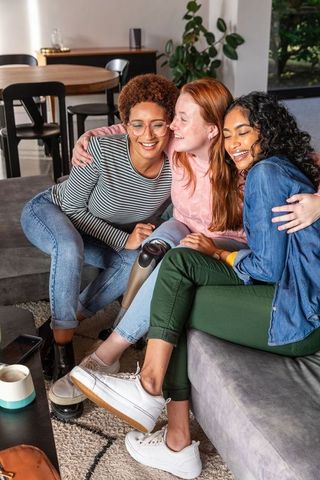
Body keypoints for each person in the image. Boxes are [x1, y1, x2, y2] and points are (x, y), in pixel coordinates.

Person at [70, 92, 320, 479]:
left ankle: (167, 421)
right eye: (230, 134)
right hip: (288, 296)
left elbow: (267, 268)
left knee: (179, 296)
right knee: (180, 262)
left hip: (295, 311)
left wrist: (222, 255)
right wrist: (89, 137)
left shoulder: (265, 173)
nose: (235, 143)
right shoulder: (271, 168)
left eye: (245, 133)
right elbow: (147, 125)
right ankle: (155, 402)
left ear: (267, 133)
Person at [49, 78, 251, 416]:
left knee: (175, 259)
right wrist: (87, 138)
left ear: (214, 129)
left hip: (227, 238)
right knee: (153, 247)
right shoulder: (177, 145)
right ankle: (126, 325)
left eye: (182, 118)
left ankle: (105, 355)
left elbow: (304, 164)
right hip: (183, 225)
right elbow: (138, 127)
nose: (172, 125)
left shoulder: (241, 161)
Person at [20, 73, 179, 386]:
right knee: (69, 247)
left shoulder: (177, 168)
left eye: (157, 124)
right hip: (51, 211)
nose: (147, 134)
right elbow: (72, 208)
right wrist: (124, 238)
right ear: (126, 125)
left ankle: (59, 325)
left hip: (96, 230)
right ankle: (64, 354)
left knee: (134, 261)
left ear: (171, 124)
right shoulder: (101, 151)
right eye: (137, 124)